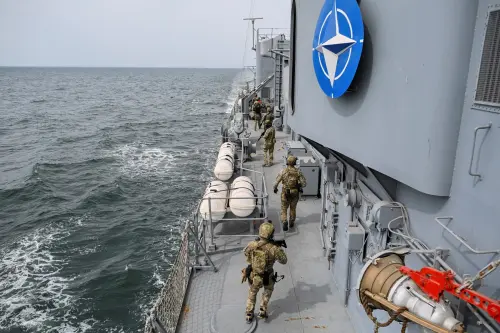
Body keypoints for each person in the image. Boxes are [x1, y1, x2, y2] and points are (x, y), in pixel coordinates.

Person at [243, 222, 287, 322]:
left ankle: (249, 313)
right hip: (268, 276)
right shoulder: (274, 248)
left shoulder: (252, 244)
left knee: (252, 293)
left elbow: (246, 254)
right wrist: (279, 250)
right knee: (267, 291)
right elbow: (284, 261)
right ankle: (262, 310)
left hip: (254, 275)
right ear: (271, 234)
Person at [273, 155, 307, 231]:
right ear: (295, 163)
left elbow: (276, 183)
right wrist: (298, 185)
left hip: (285, 192)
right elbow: (304, 184)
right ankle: (291, 222)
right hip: (295, 192)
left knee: (284, 208)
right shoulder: (298, 171)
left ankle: (284, 221)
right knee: (293, 208)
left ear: (287, 162)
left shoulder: (283, 171)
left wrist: (275, 189)